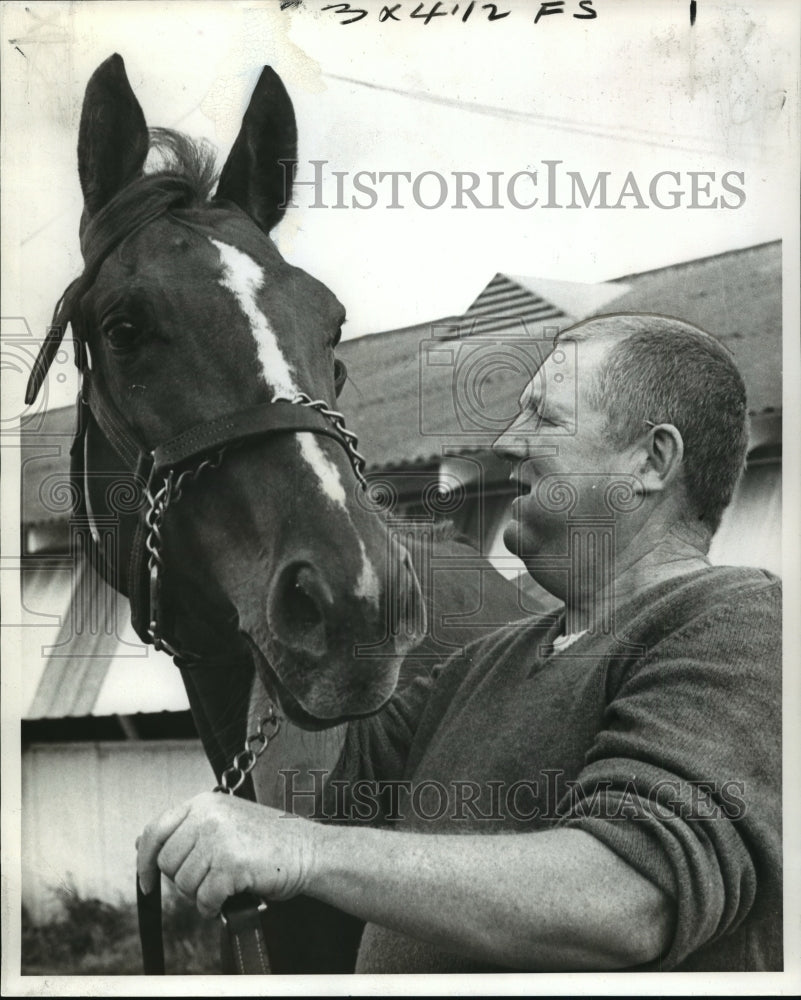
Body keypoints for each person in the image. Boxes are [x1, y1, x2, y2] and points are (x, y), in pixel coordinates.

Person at [137, 313, 782, 972]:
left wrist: (302, 850)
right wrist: (288, 525)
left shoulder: (736, 621)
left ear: (652, 459)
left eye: (546, 418)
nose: (507, 441)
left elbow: (626, 899)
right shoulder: (479, 667)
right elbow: (307, 794)